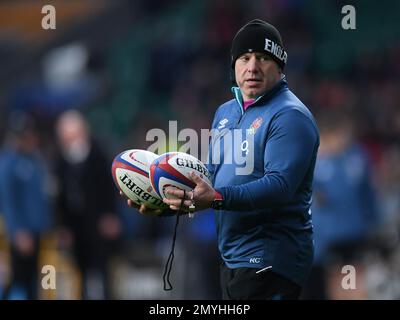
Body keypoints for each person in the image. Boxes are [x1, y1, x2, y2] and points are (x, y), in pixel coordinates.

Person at [124, 19, 320, 300]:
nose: (252, 67)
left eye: (263, 58)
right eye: (244, 58)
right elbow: (212, 179)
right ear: (234, 65)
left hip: (271, 257)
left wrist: (214, 198)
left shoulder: (289, 115)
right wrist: (167, 203)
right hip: (233, 256)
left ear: (280, 66)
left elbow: (280, 186)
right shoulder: (225, 113)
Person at [55, 110, 121, 300]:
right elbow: (59, 198)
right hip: (76, 226)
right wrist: (63, 227)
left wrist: (110, 216)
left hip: (98, 224)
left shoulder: (98, 155)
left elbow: (109, 189)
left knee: (102, 272)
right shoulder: (60, 160)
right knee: (80, 273)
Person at [0, 111, 52, 299]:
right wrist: (18, 231)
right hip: (20, 235)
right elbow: (8, 201)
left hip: (36, 232)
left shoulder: (33, 160)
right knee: (16, 280)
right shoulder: (8, 163)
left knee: (32, 282)